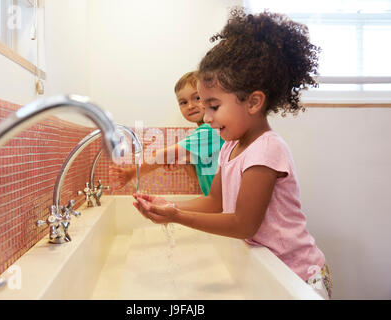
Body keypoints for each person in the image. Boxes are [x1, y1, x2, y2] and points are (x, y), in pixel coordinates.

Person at [133, 8, 333, 299]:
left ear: (253, 102)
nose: (207, 116)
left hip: (299, 277)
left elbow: (243, 223)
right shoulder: (229, 146)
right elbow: (215, 201)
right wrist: (169, 205)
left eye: (214, 106)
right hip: (270, 271)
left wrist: (176, 216)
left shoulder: (267, 149)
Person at [109, 71, 225, 196]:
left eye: (197, 98)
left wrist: (131, 174)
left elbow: (162, 155)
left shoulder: (208, 131)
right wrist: (186, 162)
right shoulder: (206, 134)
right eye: (183, 102)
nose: (190, 106)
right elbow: (201, 181)